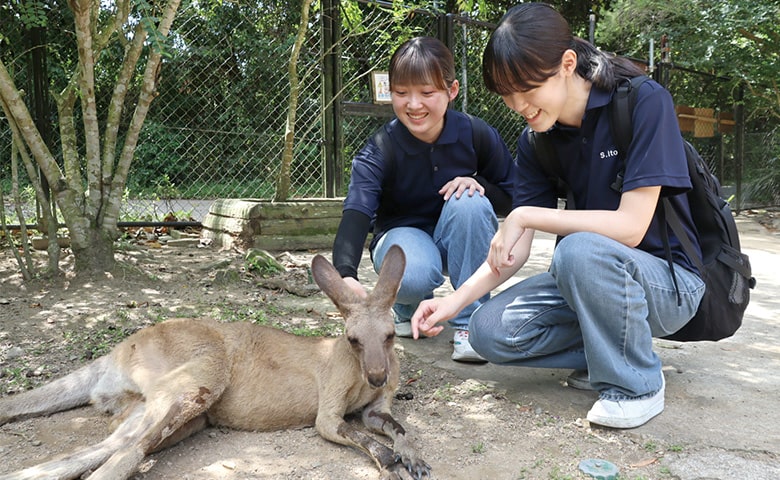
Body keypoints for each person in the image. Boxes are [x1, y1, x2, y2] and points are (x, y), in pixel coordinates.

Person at [411, 4, 705, 428]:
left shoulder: (643, 101)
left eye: (527, 90)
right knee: (487, 330)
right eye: (508, 96)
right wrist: (452, 303)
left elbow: (630, 226)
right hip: (585, 283)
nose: (519, 106)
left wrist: (527, 214)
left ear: (568, 64)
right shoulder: (537, 140)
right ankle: (615, 352)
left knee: (579, 251)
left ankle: (637, 383)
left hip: (668, 284)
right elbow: (513, 251)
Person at [332, 36, 516, 363]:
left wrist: (479, 183)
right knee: (414, 272)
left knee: (470, 202)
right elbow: (356, 214)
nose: (414, 104)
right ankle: (405, 306)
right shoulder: (379, 148)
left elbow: (513, 198)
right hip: (403, 240)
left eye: (427, 93)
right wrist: (346, 274)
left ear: (452, 91)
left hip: (459, 236)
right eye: (401, 93)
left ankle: (470, 325)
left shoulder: (476, 133)